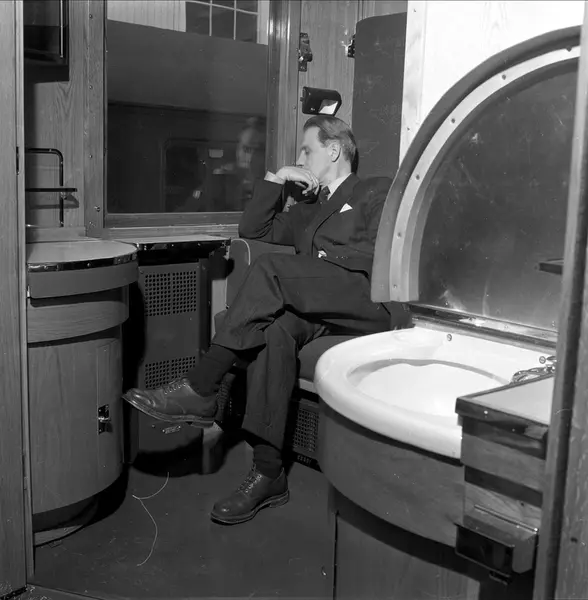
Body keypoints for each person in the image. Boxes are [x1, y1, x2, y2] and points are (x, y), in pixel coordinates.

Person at [123, 115, 410, 525]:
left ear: (333, 150)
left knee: (272, 270)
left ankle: (202, 385)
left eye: (307, 150)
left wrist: (318, 267)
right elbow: (254, 227)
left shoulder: (374, 189)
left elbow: (385, 253)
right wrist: (277, 179)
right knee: (275, 329)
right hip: (321, 302)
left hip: (368, 298)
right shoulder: (310, 209)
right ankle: (269, 472)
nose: (301, 159)